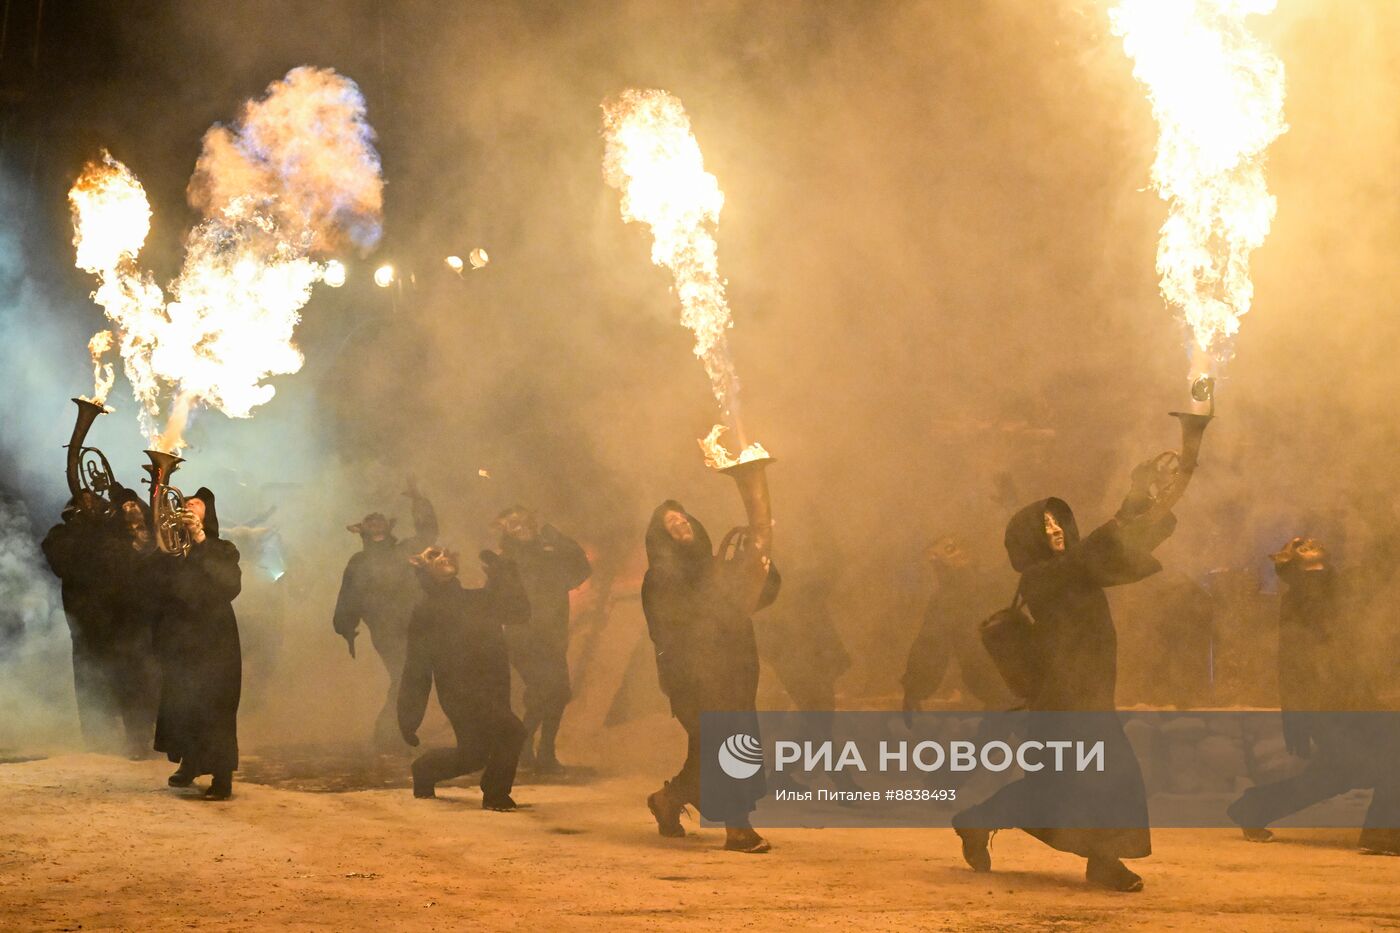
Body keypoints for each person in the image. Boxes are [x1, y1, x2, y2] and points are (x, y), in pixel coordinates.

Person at [952, 458, 1180, 893]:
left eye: (1058, 521)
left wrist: (1146, 497)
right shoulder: (1041, 577)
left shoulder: (1079, 567)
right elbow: (1101, 548)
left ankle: (977, 821)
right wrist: (1134, 494)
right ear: (1028, 540)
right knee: (1105, 778)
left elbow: (1115, 549)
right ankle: (1104, 861)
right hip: (1061, 700)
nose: (1055, 530)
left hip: (1087, 695)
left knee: (1055, 790)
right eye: (1045, 526)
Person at [1226, 534, 1400, 855]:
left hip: (1352, 704)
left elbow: (1369, 578)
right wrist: (1298, 717)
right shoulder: (1301, 603)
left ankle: (1253, 808)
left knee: (1338, 775)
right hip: (1329, 709)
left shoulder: (1331, 591)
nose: (1319, 578)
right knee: (1386, 757)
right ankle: (1384, 833)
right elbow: (1296, 665)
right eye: (1311, 571)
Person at [642, 499, 780, 854]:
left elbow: (757, 595)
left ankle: (667, 800)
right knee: (724, 745)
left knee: (714, 748)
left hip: (735, 669)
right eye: (669, 522)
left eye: (682, 517)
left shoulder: (719, 565)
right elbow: (668, 627)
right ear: (661, 537)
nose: (680, 524)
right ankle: (737, 828)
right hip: (695, 675)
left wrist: (760, 558)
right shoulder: (659, 577)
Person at [398, 545, 531, 809]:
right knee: (513, 732)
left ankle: (424, 770)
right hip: (459, 692)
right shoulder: (425, 611)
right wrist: (409, 716)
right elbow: (417, 667)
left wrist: (507, 574)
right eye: (433, 554)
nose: (444, 555)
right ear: (420, 566)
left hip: (493, 688)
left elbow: (520, 612)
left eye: (448, 552)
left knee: (474, 755)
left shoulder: (479, 599)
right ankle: (495, 795)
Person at [333, 481, 438, 750]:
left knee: (409, 677)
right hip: (386, 630)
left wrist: (419, 500)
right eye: (370, 522)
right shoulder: (359, 562)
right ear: (360, 530)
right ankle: (390, 733)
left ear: (390, 527)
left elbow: (428, 533)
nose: (376, 523)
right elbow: (348, 597)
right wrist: (346, 626)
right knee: (404, 676)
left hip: (416, 626)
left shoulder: (404, 551)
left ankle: (394, 732)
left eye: (380, 521)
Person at [153, 487, 243, 800]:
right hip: (181, 638)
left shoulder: (223, 548)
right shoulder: (171, 550)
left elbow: (229, 586)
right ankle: (189, 763)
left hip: (215, 637)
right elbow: (159, 590)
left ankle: (222, 776)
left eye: (199, 503)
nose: (190, 503)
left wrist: (201, 539)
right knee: (182, 702)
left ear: (210, 513)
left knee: (216, 706)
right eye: (188, 500)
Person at [493, 506, 591, 773]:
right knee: (543, 691)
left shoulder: (551, 552)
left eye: (522, 520)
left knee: (559, 693)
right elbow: (497, 599)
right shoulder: (505, 560)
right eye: (511, 524)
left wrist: (560, 540)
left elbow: (582, 570)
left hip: (553, 635)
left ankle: (545, 753)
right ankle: (521, 746)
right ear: (504, 530)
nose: (519, 526)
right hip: (522, 638)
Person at [41, 490, 122, 751]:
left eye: (93, 500)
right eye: (83, 500)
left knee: (127, 672)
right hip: (83, 617)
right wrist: (86, 528)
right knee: (89, 676)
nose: (88, 503)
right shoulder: (60, 535)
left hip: (119, 616)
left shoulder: (112, 532)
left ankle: (133, 736)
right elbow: (62, 564)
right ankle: (96, 739)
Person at [902, 535, 1016, 715]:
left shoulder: (993, 584)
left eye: (955, 548)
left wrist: (914, 691)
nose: (958, 554)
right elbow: (931, 647)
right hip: (1006, 682)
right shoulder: (949, 600)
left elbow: (931, 647)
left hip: (1006, 681)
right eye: (949, 551)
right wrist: (914, 690)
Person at [105, 489, 162, 758]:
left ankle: (159, 735)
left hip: (157, 618)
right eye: (124, 506)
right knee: (131, 680)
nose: (131, 509)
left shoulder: (158, 535)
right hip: (126, 620)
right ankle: (136, 739)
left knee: (156, 677)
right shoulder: (113, 543)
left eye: (133, 503)